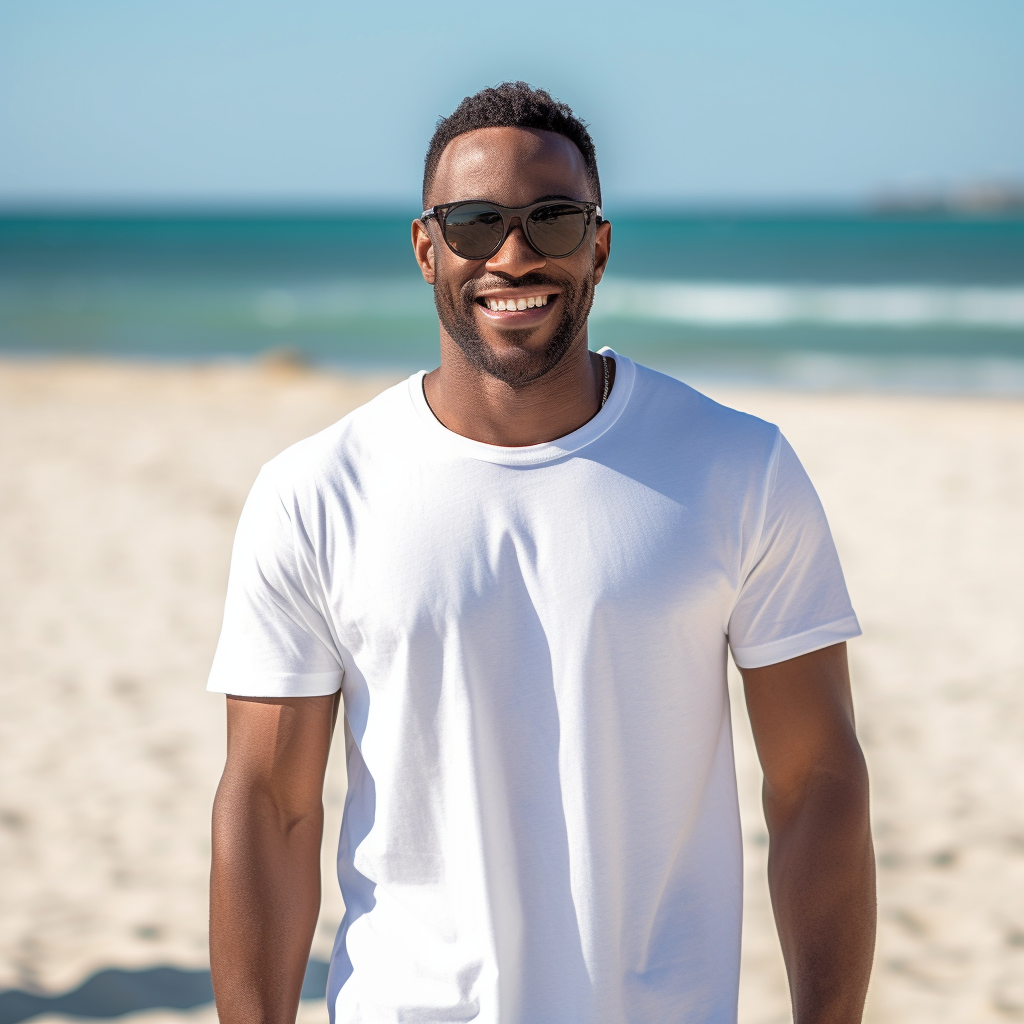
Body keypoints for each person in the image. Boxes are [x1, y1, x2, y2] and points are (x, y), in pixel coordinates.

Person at [208, 82, 875, 1024]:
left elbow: (818, 781)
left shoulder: (738, 466)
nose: (513, 254)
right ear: (425, 247)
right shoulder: (314, 493)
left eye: (552, 221)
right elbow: (268, 805)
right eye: (475, 223)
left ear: (599, 246)